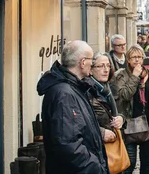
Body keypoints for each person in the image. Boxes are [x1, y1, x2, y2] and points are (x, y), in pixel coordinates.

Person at [37, 40, 108, 174]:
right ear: (82, 62)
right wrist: (96, 168)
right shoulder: (64, 94)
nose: (92, 64)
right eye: (91, 60)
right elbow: (68, 145)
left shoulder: (73, 88)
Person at [115, 45, 149, 174]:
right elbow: (124, 95)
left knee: (147, 163)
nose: (137, 60)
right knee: (129, 164)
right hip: (129, 126)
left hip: (148, 125)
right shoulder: (120, 76)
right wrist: (135, 77)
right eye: (134, 57)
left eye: (139, 57)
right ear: (128, 59)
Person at [88, 53, 124, 144]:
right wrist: (101, 132)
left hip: (113, 142)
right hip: (95, 144)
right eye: (100, 66)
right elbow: (82, 123)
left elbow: (119, 111)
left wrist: (121, 118)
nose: (106, 70)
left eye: (108, 66)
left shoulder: (109, 87)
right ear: (90, 70)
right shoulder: (87, 91)